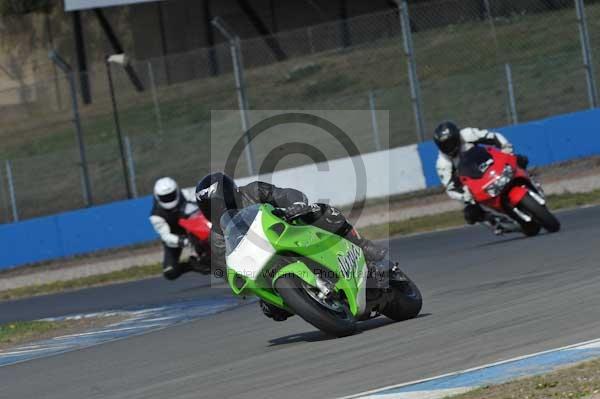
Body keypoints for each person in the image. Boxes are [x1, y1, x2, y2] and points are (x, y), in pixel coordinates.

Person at [195, 172, 387, 321]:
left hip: (290, 229)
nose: (216, 210)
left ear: (229, 193)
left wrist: (294, 205)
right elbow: (228, 269)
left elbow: (284, 194)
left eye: (217, 203)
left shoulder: (252, 191)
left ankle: (362, 246)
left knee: (320, 211)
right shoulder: (217, 238)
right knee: (272, 309)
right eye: (208, 207)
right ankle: (314, 302)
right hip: (265, 263)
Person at [433, 121, 529, 234]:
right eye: (444, 145)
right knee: (471, 213)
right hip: (472, 183)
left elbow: (493, 137)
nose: (449, 147)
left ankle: (528, 180)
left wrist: (506, 149)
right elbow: (450, 187)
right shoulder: (443, 163)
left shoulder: (468, 134)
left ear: (457, 135)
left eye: (451, 142)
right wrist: (465, 196)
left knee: (520, 159)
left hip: (490, 165)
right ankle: (495, 222)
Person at [149, 177, 208, 280]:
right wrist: (182, 240)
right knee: (170, 272)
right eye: (165, 197)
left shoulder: (187, 194)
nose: (169, 198)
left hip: (195, 229)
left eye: (171, 195)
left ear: (176, 190)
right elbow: (165, 236)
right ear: (157, 197)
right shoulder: (156, 215)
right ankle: (191, 265)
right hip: (175, 237)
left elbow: (202, 206)